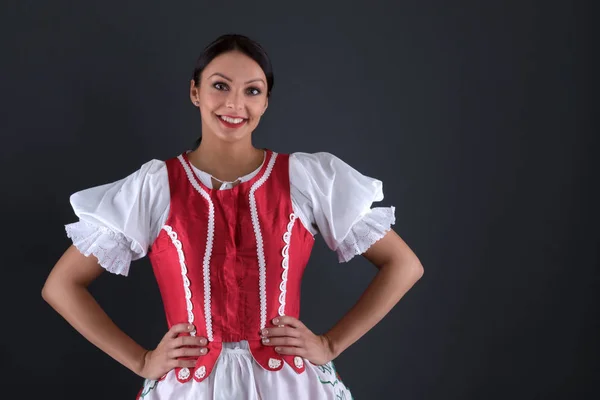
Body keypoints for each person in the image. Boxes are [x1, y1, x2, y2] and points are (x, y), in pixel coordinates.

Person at [41, 33, 424, 400]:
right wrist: (142, 361)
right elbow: (62, 285)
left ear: (266, 101)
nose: (235, 104)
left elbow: (403, 264)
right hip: (188, 388)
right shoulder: (155, 187)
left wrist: (330, 344)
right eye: (220, 86)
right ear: (195, 91)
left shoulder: (307, 179)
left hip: (291, 387)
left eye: (252, 91)